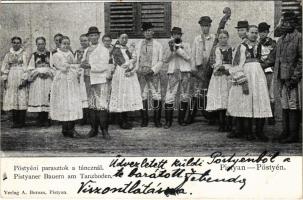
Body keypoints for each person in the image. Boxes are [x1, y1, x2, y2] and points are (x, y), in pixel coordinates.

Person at [227, 25, 272, 142]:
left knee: (260, 101)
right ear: (247, 33)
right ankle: (247, 132)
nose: (254, 34)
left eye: (256, 32)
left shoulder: (260, 46)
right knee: (246, 102)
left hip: (258, 77)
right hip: (246, 77)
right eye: (252, 32)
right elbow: (235, 65)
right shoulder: (241, 47)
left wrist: (261, 67)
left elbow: (266, 60)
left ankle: (259, 131)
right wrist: (242, 81)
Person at [273, 12, 302, 143]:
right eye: (284, 22)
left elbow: (302, 60)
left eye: (288, 22)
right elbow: (274, 58)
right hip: (282, 77)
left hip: (293, 79)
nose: (285, 24)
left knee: (293, 105)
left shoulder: (299, 37)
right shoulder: (281, 39)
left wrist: (294, 78)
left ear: (294, 23)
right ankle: (285, 132)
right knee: (285, 104)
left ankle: (293, 134)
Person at [81, 27, 112, 139]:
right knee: (92, 105)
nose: (93, 37)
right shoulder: (86, 50)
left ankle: (104, 130)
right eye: (91, 35)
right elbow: (83, 62)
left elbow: (104, 66)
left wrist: (90, 66)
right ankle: (93, 129)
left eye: (95, 35)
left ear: (98, 36)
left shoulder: (103, 50)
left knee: (102, 105)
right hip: (88, 79)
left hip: (100, 79)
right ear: (88, 37)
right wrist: (82, 64)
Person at [50, 36, 83, 138]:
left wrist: (73, 65)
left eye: (68, 43)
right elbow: (62, 67)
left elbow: (75, 65)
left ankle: (71, 128)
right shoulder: (56, 55)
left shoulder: (70, 54)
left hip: (71, 80)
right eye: (64, 43)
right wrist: (71, 65)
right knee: (64, 103)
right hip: (62, 81)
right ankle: (65, 129)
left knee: (71, 102)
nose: (66, 46)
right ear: (59, 44)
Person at [109, 32, 143, 129]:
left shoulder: (127, 49)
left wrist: (132, 66)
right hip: (121, 74)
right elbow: (123, 63)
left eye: (126, 38)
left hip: (128, 74)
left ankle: (126, 119)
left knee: (127, 95)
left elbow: (133, 59)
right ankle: (121, 121)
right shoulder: (116, 50)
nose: (124, 39)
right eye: (122, 38)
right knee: (121, 95)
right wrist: (132, 62)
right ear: (118, 38)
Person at [187, 16, 216, 125]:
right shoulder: (197, 39)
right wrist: (193, 69)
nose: (205, 28)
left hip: (210, 68)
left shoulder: (213, 38)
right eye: (203, 26)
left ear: (210, 26)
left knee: (210, 92)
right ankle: (190, 116)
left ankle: (211, 116)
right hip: (200, 68)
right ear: (201, 26)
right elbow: (193, 55)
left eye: (207, 26)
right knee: (196, 93)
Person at [136, 22, 164, 127]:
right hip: (142, 74)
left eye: (149, 31)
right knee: (143, 96)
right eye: (145, 31)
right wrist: (138, 69)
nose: (147, 33)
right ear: (143, 33)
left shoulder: (158, 45)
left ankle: (157, 120)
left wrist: (152, 70)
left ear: (152, 32)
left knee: (156, 96)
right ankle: (144, 120)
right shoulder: (138, 45)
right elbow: (136, 59)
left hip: (153, 74)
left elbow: (161, 60)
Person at [163, 27, 191, 128]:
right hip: (173, 72)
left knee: (184, 96)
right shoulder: (169, 45)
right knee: (170, 97)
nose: (176, 36)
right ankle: (168, 122)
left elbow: (188, 57)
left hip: (185, 72)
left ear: (181, 35)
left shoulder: (186, 45)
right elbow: (165, 59)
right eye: (174, 34)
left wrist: (178, 48)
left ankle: (181, 120)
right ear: (172, 35)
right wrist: (172, 50)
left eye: (178, 34)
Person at [206, 30, 232, 132]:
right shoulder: (215, 49)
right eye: (220, 38)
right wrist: (217, 67)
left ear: (228, 38)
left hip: (227, 74)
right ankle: (221, 124)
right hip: (218, 75)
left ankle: (229, 124)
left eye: (224, 37)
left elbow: (233, 61)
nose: (222, 40)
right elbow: (212, 61)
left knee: (228, 97)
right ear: (218, 39)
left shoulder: (231, 49)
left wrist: (226, 69)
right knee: (220, 97)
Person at [227, 20, 249, 138]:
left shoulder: (246, 45)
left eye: (243, 30)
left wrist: (238, 76)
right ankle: (238, 129)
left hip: (243, 75)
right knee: (237, 101)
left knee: (243, 101)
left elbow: (241, 64)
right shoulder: (240, 44)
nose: (241, 32)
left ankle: (243, 130)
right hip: (237, 75)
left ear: (247, 30)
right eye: (239, 30)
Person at [1, 36, 28, 128]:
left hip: (20, 74)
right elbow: (5, 67)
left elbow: (26, 67)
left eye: (18, 42)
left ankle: (22, 121)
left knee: (21, 97)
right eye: (14, 42)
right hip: (11, 76)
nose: (16, 44)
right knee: (13, 98)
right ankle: (15, 121)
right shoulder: (8, 54)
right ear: (11, 43)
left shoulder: (24, 54)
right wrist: (5, 79)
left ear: (20, 44)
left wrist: (24, 78)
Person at [27, 37, 54, 126]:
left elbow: (53, 66)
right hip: (37, 79)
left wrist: (48, 73)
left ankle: (46, 119)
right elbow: (30, 68)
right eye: (39, 44)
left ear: (45, 44)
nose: (40, 46)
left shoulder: (50, 54)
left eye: (42, 44)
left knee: (46, 96)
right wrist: (37, 73)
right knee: (39, 97)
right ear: (36, 45)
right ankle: (39, 119)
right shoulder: (34, 55)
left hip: (47, 78)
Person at [258, 22, 276, 125]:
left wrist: (264, 64)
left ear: (267, 32)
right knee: (261, 93)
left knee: (270, 93)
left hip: (269, 70)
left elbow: (272, 58)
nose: (262, 34)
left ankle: (271, 116)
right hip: (260, 70)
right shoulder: (257, 43)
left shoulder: (272, 43)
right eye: (261, 32)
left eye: (264, 32)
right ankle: (262, 115)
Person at [75, 34, 90, 125]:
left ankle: (89, 117)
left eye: (85, 40)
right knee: (82, 95)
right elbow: (76, 63)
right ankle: (82, 117)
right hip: (81, 74)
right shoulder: (78, 51)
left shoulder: (91, 50)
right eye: (82, 41)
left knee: (88, 95)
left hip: (89, 74)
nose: (83, 42)